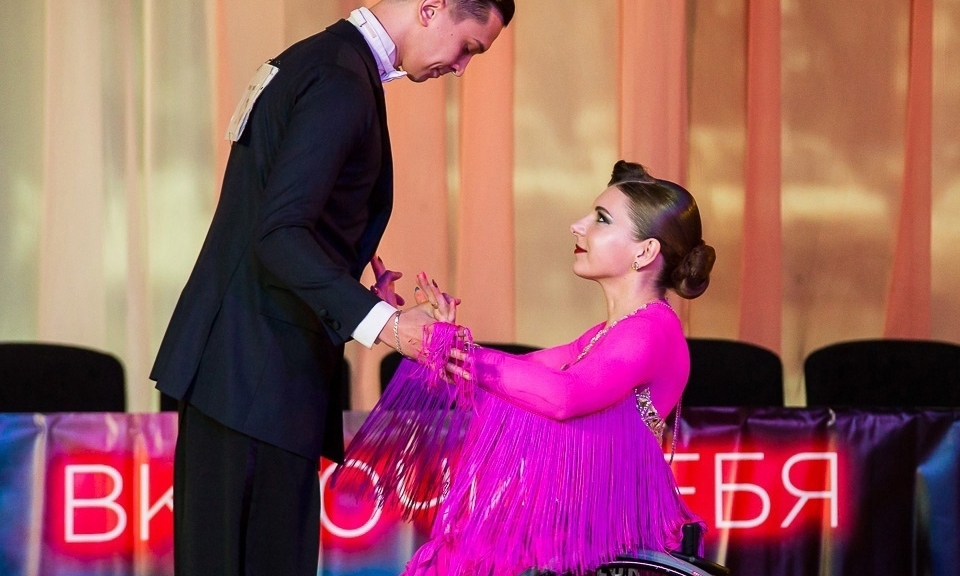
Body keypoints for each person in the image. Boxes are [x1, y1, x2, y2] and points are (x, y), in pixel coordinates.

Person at [149, 1, 515, 575]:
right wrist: (388, 325)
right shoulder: (341, 81)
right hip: (256, 379)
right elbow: (279, 235)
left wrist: (350, 283)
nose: (462, 66)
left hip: (241, 374)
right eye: (468, 47)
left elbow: (274, 218)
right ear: (431, 8)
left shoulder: (320, 60)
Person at [337, 160, 716, 575]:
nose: (577, 225)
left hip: (593, 542)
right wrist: (412, 331)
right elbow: (510, 382)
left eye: (601, 219)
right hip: (564, 534)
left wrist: (444, 345)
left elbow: (564, 396)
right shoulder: (606, 334)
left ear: (645, 252)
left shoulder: (651, 330)